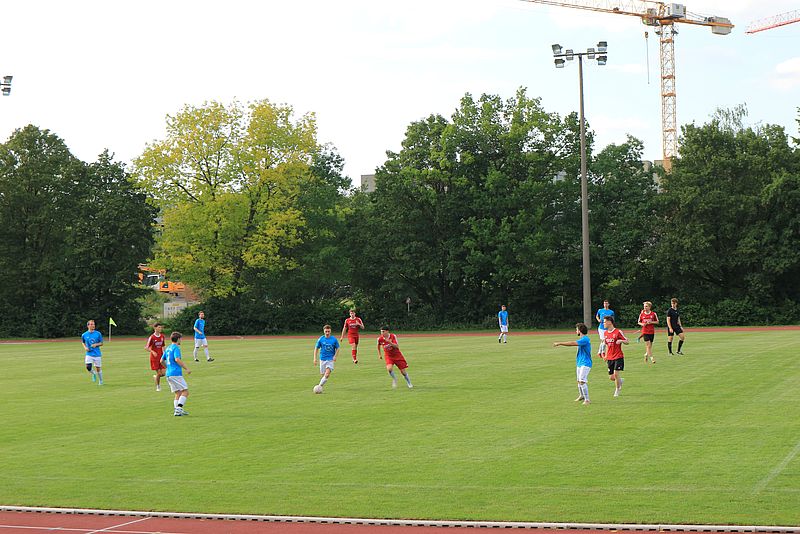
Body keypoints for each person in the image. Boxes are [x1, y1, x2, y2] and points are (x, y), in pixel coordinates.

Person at [553, 322, 592, 405]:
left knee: (582, 381)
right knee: (578, 381)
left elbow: (572, 343)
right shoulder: (582, 339)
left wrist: (560, 343)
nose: (576, 331)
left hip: (585, 363)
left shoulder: (585, 339)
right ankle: (581, 396)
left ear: (580, 330)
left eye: (576, 329)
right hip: (580, 363)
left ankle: (587, 400)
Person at [161, 331, 191, 416]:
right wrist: (186, 368)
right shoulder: (176, 348)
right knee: (185, 391)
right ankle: (179, 409)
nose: (181, 340)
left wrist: (168, 367)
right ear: (178, 339)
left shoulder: (168, 348)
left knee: (178, 393)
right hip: (175, 373)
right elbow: (177, 359)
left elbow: (161, 360)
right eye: (180, 339)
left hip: (169, 374)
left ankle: (177, 410)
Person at [602, 316, 628, 397]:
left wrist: (621, 341)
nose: (603, 323)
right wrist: (606, 355)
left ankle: (617, 390)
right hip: (610, 357)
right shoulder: (605, 333)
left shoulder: (618, 332)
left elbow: (627, 341)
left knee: (616, 374)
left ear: (609, 322)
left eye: (604, 322)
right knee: (611, 377)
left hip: (618, 356)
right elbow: (607, 345)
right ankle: (620, 381)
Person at [313, 324, 340, 392]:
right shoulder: (321, 339)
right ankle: (320, 386)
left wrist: (335, 356)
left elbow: (338, 348)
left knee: (327, 374)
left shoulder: (334, 339)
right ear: (324, 331)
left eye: (328, 331)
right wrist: (315, 358)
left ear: (330, 331)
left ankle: (319, 387)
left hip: (330, 359)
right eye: (326, 331)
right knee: (323, 375)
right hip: (322, 359)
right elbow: (316, 348)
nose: (327, 333)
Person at [81, 319, 104, 385]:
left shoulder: (98, 334)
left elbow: (101, 343)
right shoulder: (84, 334)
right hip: (89, 354)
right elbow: (83, 342)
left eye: (93, 324)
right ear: (88, 326)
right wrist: (85, 348)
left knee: (98, 368)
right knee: (88, 367)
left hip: (97, 354)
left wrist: (96, 344)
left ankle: (101, 381)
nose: (93, 325)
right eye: (91, 324)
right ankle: (93, 373)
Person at [145, 322, 166, 391]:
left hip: (161, 357)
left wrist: (165, 354)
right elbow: (146, 348)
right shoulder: (152, 337)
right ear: (155, 328)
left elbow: (163, 346)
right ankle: (158, 386)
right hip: (154, 358)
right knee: (159, 373)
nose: (160, 328)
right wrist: (153, 351)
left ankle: (155, 377)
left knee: (163, 373)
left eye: (161, 327)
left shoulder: (162, 336)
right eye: (159, 327)